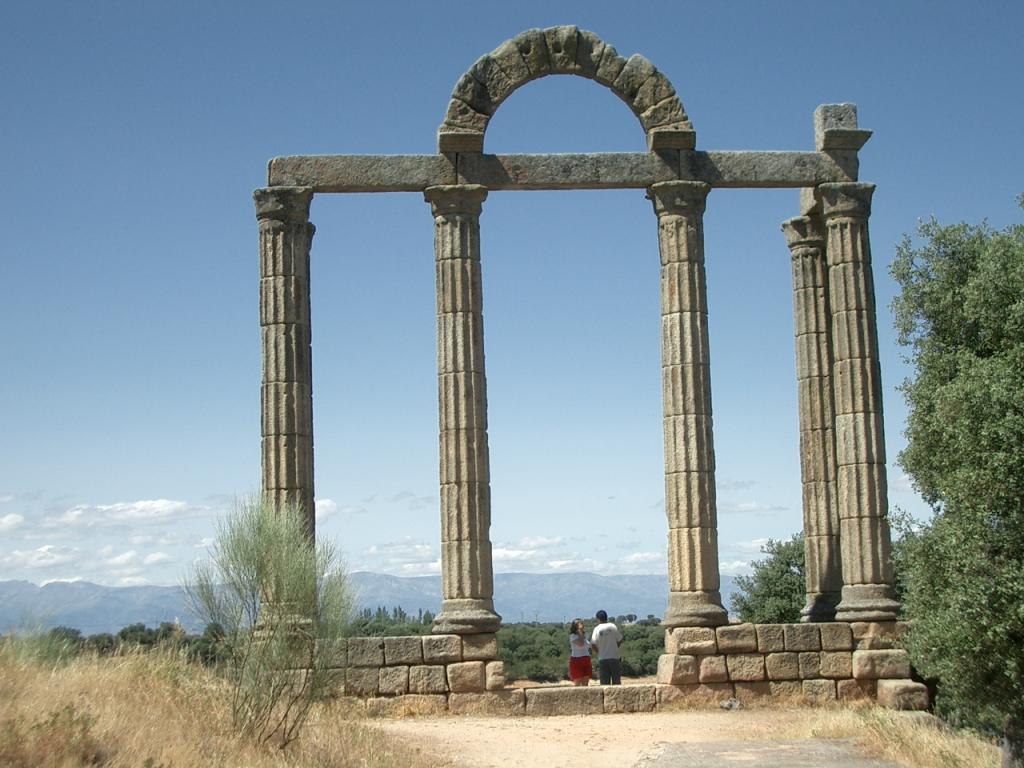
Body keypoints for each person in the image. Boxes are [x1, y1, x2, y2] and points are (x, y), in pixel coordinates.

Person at [590, 609, 623, 685]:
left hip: (603, 658)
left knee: (604, 683)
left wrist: (598, 652)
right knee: (617, 682)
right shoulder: (613, 626)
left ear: (598, 619)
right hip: (615, 657)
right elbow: (620, 639)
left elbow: (593, 644)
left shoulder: (597, 629)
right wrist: (615, 647)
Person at [568, 618, 592, 686]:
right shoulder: (573, 636)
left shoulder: (586, 635)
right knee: (577, 681)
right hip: (576, 659)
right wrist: (580, 633)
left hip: (586, 657)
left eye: (582, 623)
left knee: (585, 681)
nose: (582, 624)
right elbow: (580, 644)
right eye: (580, 623)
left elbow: (589, 645)